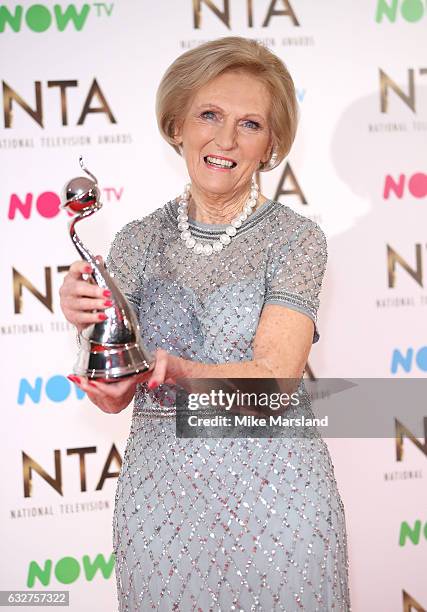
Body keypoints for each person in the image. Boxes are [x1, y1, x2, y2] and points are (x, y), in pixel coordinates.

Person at [59, 36, 350, 611]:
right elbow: (113, 397)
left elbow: (276, 378)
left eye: (250, 124)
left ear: (271, 145)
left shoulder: (295, 239)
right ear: (176, 127)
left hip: (279, 498)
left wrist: (181, 371)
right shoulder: (136, 241)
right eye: (209, 115)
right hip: (163, 506)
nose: (225, 140)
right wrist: (88, 327)